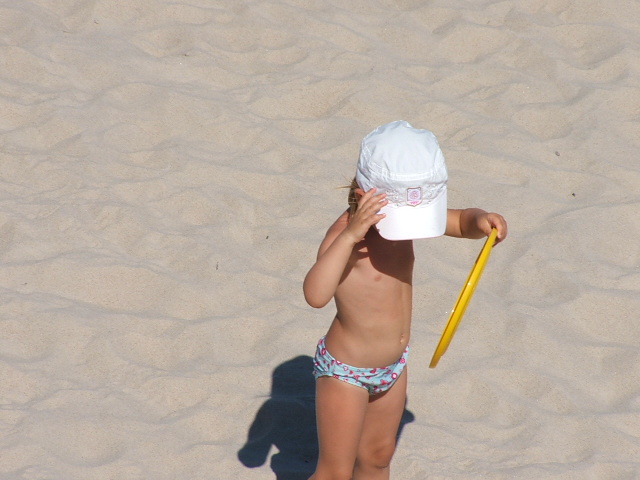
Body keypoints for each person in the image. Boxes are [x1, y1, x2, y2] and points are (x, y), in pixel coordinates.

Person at [303, 121, 508, 480]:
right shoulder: (345, 237)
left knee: (378, 458)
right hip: (346, 372)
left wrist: (482, 221)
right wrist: (349, 237)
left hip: (393, 366)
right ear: (363, 196)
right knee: (335, 472)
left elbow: (460, 222)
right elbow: (315, 294)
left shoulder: (405, 221)